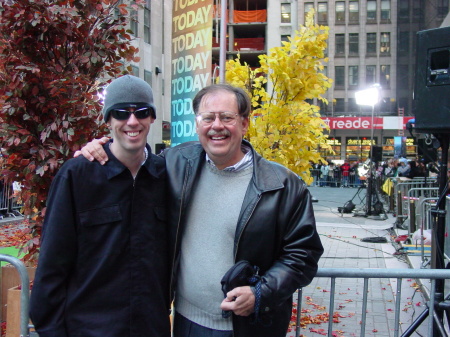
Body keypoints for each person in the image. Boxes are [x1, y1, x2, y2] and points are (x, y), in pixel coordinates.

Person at [78, 83, 324, 337]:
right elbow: (132, 159)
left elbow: (303, 254)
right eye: (208, 118)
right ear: (197, 124)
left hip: (251, 326)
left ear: (244, 124)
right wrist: (101, 147)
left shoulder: (283, 185)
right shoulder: (174, 164)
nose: (216, 126)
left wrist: (261, 292)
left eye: (227, 117)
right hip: (186, 323)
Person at [29, 75, 171, 337]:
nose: (132, 121)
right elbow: (52, 265)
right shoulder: (77, 176)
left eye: (141, 112)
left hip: (151, 328)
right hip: (89, 329)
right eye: (120, 113)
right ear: (107, 120)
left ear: (152, 118)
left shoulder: (167, 175)